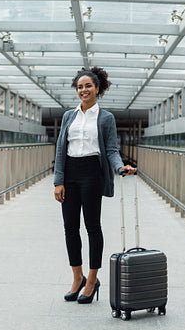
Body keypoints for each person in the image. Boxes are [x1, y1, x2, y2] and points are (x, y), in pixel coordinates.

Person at [54, 67, 136, 304]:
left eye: (88, 86)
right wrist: (59, 181)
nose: (83, 90)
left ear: (97, 89)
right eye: (80, 87)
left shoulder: (106, 118)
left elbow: (111, 149)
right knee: (70, 227)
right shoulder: (69, 116)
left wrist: (120, 167)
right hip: (70, 173)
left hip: (92, 174)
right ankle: (77, 277)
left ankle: (92, 280)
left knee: (92, 227)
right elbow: (61, 150)